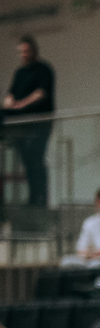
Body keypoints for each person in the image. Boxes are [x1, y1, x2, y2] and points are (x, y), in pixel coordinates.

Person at [3, 35, 54, 207]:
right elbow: (10, 94)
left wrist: (21, 104)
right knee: (27, 161)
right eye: (21, 52)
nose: (24, 55)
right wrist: (10, 102)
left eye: (26, 51)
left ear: (34, 51)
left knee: (36, 159)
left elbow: (41, 93)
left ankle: (40, 198)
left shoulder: (43, 69)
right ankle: (33, 197)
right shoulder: (20, 73)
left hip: (39, 123)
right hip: (21, 124)